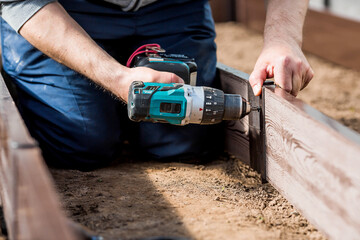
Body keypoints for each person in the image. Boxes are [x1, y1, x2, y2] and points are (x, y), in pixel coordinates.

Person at [0, 0, 313, 169]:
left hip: (171, 7)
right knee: (83, 143)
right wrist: (117, 78)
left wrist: (283, 38)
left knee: (179, 141)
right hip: (64, 9)